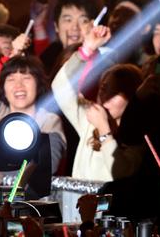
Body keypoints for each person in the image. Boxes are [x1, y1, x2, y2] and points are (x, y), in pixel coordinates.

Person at [52, 25, 143, 182]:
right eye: (103, 89)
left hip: (111, 206)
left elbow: (121, 172)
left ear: (131, 97)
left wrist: (103, 129)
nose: (105, 97)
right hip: (77, 206)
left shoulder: (137, 138)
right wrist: (87, 49)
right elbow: (60, 88)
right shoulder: (90, 121)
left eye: (115, 93)